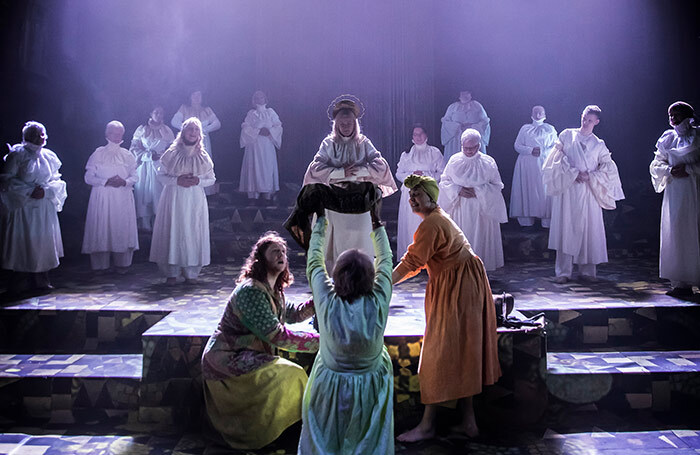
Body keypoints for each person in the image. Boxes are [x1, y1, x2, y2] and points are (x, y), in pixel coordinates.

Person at [392, 175, 501, 442]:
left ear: (431, 196)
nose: (413, 199)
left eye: (418, 194)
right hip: (464, 283)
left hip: (459, 287)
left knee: (438, 351)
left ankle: (428, 425)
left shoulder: (432, 223)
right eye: (411, 196)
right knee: (464, 350)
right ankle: (468, 421)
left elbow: (412, 262)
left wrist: (382, 283)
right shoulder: (438, 218)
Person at [202, 231, 319, 450]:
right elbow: (277, 335)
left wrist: (318, 301)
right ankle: (282, 431)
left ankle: (284, 428)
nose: (281, 254)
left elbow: (291, 313)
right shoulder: (251, 291)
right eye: (275, 251)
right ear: (261, 258)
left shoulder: (272, 290)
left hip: (247, 354)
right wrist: (322, 342)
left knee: (288, 373)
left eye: (283, 251)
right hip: (227, 358)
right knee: (290, 373)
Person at [298, 201, 393, 454]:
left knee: (327, 439)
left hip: (329, 385)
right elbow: (386, 262)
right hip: (371, 385)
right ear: (370, 278)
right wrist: (376, 223)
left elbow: (315, 264)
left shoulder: (327, 302)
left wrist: (320, 222)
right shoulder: (379, 300)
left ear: (337, 276)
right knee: (366, 442)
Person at [302, 95, 397, 272]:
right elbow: (315, 168)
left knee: (360, 239)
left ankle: (362, 272)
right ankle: (336, 274)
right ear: (336, 125)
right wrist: (339, 173)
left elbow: (380, 165)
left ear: (355, 124)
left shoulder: (363, 143)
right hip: (335, 202)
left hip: (359, 202)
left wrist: (358, 172)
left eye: (349, 124)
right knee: (333, 240)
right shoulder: (329, 143)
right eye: (342, 124)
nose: (346, 127)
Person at [542, 105, 624, 283]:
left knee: (589, 230)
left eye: (589, 120)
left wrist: (591, 176)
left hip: (588, 191)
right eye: (584, 118)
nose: (585, 122)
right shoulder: (566, 135)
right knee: (566, 227)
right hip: (569, 190)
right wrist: (573, 173)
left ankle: (587, 271)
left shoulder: (598, 144)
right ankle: (563, 272)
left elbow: (608, 167)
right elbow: (555, 159)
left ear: (596, 122)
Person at [0, 121, 66, 294]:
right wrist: (29, 191)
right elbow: (7, 180)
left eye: (43, 134)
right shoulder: (18, 154)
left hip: (43, 207)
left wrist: (46, 191)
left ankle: (41, 278)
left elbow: (55, 179)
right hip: (24, 207)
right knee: (24, 241)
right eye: (38, 134)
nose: (42, 138)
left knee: (42, 240)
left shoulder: (48, 156)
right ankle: (20, 279)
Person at [149, 117, 216, 284]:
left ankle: (191, 272)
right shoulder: (171, 153)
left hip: (194, 198)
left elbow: (212, 179)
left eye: (196, 130)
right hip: (174, 197)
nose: (193, 133)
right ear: (184, 131)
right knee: (174, 229)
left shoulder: (203, 155)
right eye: (190, 129)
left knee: (192, 231)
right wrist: (177, 180)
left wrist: (198, 181)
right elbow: (160, 175)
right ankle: (171, 271)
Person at [650, 101, 700, 298]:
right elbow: (656, 164)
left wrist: (689, 169)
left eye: (677, 114)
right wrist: (670, 170)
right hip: (676, 191)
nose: (673, 118)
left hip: (695, 188)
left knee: (695, 229)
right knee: (677, 231)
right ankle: (680, 280)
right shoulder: (667, 138)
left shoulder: (697, 136)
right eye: (670, 114)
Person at [438, 129, 507, 271]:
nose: (469, 151)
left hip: (482, 209)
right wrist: (458, 190)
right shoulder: (454, 160)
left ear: (479, 145)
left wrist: (478, 191)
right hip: (460, 207)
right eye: (465, 147)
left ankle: (480, 271)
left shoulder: (488, 162)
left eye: (472, 148)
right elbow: (444, 182)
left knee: (479, 241)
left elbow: (497, 185)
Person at [81, 121, 139, 272]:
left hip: (122, 198)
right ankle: (100, 265)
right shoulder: (98, 153)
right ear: (107, 134)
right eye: (114, 133)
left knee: (121, 227)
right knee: (102, 227)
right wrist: (105, 181)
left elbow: (135, 176)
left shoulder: (127, 155)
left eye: (120, 133)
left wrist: (124, 181)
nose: (117, 136)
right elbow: (88, 177)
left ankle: (122, 263)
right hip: (103, 197)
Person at [395, 124, 444, 258]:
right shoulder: (406, 154)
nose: (418, 137)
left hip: (428, 192)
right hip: (410, 193)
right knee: (411, 224)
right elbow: (399, 173)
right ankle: (412, 257)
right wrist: (411, 176)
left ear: (426, 135)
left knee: (427, 223)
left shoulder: (434, 152)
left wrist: (426, 176)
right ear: (412, 137)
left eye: (420, 133)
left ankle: (430, 256)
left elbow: (441, 172)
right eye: (415, 134)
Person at [510, 105, 558, 227]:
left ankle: (547, 221)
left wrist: (542, 151)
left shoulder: (550, 129)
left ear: (544, 114)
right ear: (531, 114)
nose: (537, 115)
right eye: (535, 113)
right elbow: (517, 145)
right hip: (527, 165)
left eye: (540, 113)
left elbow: (556, 146)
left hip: (545, 163)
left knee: (544, 190)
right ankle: (526, 221)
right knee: (527, 189)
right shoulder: (525, 129)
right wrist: (530, 150)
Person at [129, 106, 175, 231]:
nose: (159, 115)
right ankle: (144, 224)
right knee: (143, 192)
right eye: (156, 112)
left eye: (162, 113)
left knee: (158, 194)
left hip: (160, 167)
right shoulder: (142, 130)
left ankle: (159, 224)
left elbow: (173, 149)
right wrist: (148, 156)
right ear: (150, 113)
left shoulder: (167, 131)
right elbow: (133, 149)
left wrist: (162, 157)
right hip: (144, 166)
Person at [239, 90, 283, 205]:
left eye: (261, 97)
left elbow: (278, 126)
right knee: (254, 167)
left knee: (266, 167)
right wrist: (257, 131)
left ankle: (267, 194)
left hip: (267, 145)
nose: (259, 99)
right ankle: (253, 195)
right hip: (254, 145)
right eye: (257, 98)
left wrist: (269, 132)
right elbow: (245, 127)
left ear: (265, 99)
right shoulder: (251, 114)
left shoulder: (270, 112)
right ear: (254, 100)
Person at [441, 90, 491, 162]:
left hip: (473, 138)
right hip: (456, 140)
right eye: (463, 94)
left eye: (467, 94)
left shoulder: (477, 106)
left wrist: (473, 127)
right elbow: (445, 122)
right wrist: (457, 127)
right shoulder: (452, 107)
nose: (465, 96)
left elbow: (485, 121)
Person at [171, 89, 221, 160]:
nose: (196, 97)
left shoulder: (207, 110)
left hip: (203, 141)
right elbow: (174, 121)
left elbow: (217, 123)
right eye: (194, 95)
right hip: (188, 140)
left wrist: (203, 130)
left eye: (199, 95)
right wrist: (187, 129)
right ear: (190, 96)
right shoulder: (184, 108)